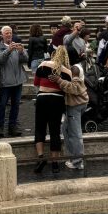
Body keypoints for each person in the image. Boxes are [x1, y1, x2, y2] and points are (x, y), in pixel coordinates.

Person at [32, 46, 72, 174]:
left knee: (40, 128)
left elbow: (36, 83)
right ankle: (55, 163)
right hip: (57, 99)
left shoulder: (43, 64)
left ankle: (40, 157)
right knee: (54, 130)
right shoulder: (68, 71)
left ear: (54, 54)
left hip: (42, 98)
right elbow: (67, 89)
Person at [0, 26, 28, 137]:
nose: (9, 35)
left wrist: (22, 52)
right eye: (6, 33)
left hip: (18, 81)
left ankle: (12, 126)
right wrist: (8, 50)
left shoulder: (17, 46)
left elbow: (25, 60)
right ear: (2, 35)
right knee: (2, 105)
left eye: (10, 33)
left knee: (16, 105)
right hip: (5, 82)